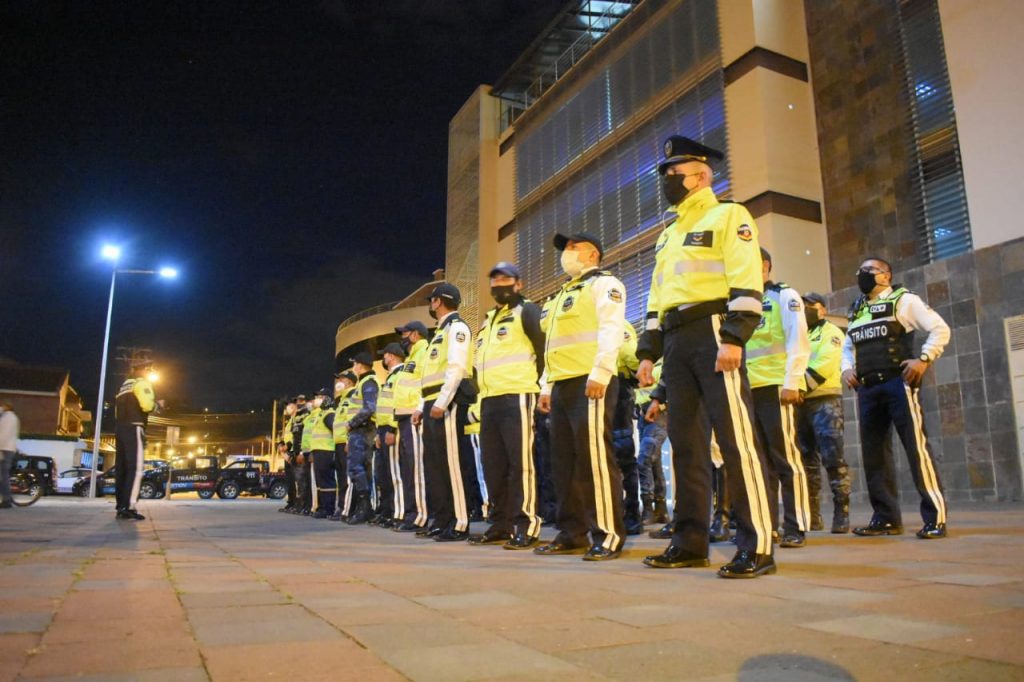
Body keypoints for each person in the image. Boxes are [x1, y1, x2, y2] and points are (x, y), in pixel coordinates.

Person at [636, 135, 775, 578]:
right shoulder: (669, 234)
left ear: (700, 176)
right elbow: (659, 297)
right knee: (686, 447)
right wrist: (648, 352)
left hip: (715, 330)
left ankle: (758, 546)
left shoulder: (728, 215)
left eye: (674, 175)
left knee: (736, 441)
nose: (667, 182)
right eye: (665, 176)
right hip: (676, 342)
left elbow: (745, 277)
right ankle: (690, 542)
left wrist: (735, 336)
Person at [841, 257, 950, 539]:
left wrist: (923, 360)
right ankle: (886, 518)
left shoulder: (905, 301)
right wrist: (846, 368)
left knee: (916, 450)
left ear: (886, 276)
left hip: (898, 384)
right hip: (867, 389)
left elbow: (940, 329)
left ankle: (935, 518)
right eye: (859, 270)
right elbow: (847, 346)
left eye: (869, 271)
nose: (862, 275)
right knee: (874, 456)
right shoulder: (857, 309)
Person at [535, 232, 627, 561]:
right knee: (564, 462)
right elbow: (552, 346)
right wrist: (546, 386)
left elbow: (611, 328)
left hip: (590, 380)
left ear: (592, 255)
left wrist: (601, 371)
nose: (567, 254)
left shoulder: (604, 284)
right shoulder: (560, 295)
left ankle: (608, 532)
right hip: (561, 384)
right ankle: (572, 532)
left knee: (594, 460)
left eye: (573, 248)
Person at [468, 262, 545, 550]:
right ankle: (499, 524)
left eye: (506, 278)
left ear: (518, 283)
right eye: (495, 279)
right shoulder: (488, 322)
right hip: (489, 402)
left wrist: (541, 386)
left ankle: (526, 525)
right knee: (494, 466)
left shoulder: (527, 311)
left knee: (520, 465)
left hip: (518, 397)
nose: (499, 283)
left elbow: (543, 350)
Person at [746, 248, 812, 548]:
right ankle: (767, 525)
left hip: (776, 388)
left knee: (785, 458)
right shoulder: (739, 303)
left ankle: (796, 524)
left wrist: (793, 381)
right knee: (759, 464)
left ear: (765, 265)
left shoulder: (784, 296)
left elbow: (797, 339)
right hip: (747, 391)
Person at [413, 283, 476, 542]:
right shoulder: (437, 335)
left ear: (438, 301)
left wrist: (442, 401)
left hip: (447, 403)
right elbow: (427, 376)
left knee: (451, 465)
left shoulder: (457, 328)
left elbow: (456, 367)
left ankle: (459, 522)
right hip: (432, 404)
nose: (431, 305)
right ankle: (441, 519)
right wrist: (421, 406)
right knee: (435, 466)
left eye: (432, 300)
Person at [797, 292, 851, 533]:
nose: (804, 309)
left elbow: (826, 362)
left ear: (821, 309)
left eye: (809, 305)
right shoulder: (798, 334)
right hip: (799, 403)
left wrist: (800, 386)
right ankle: (812, 514)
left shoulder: (831, 332)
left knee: (833, 458)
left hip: (825, 401)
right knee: (806, 460)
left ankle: (842, 512)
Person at [394, 321, 431, 531]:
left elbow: (426, 383)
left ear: (415, 334)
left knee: (416, 469)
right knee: (408, 470)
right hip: (404, 417)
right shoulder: (412, 357)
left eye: (405, 333)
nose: (403, 337)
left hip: (415, 416)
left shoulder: (424, 352)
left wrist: (419, 408)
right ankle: (411, 512)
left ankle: (420, 515)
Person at [113, 359, 159, 520]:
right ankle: (130, 506)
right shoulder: (141, 384)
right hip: (134, 427)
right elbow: (146, 405)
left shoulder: (124, 387)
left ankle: (121, 506)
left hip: (120, 429)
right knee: (136, 468)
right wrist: (155, 406)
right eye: (149, 371)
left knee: (122, 468)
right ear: (144, 371)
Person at [374, 342, 406, 527]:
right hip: (383, 430)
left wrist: (392, 429)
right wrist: (379, 431)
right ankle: (387, 512)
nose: (383, 358)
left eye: (384, 355)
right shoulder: (390, 377)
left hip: (392, 429)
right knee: (384, 474)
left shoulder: (401, 375)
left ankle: (398, 514)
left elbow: (398, 403)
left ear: (392, 356)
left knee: (395, 474)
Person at [345, 351, 379, 525]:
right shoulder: (364, 383)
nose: (353, 367)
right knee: (361, 470)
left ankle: (364, 507)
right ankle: (364, 508)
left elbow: (369, 408)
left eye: (354, 364)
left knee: (357, 468)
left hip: (362, 431)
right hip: (361, 431)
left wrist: (351, 423)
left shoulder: (368, 383)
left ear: (360, 365)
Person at [635, 360, 669, 525]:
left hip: (659, 416)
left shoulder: (664, 362)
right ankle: (660, 509)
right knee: (654, 462)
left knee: (644, 459)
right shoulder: (641, 364)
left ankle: (648, 507)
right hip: (643, 417)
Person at [307, 388, 337, 519]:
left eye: (321, 397)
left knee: (326, 481)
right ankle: (321, 507)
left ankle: (328, 508)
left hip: (327, 451)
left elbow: (336, 431)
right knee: (320, 482)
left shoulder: (329, 414)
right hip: (319, 451)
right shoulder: (321, 414)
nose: (317, 399)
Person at [332, 373, 357, 521]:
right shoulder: (341, 400)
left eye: (341, 380)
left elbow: (351, 420)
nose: (338, 382)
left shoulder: (352, 396)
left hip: (346, 443)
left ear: (348, 382)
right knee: (341, 479)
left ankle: (348, 509)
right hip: (338, 443)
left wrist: (349, 440)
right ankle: (342, 507)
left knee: (348, 479)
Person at [278, 398, 299, 512]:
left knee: (297, 480)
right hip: (287, 453)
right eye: (287, 406)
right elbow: (286, 437)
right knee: (289, 479)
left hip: (293, 452)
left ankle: (297, 503)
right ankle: (291, 502)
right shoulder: (290, 421)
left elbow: (296, 437)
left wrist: (288, 447)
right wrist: (281, 445)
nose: (288, 408)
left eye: (291, 405)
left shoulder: (298, 419)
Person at [0, 401, 19, 509]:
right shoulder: (7, 416)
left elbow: (3, 434)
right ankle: (7, 496)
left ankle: (7, 499)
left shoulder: (9, 417)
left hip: (5, 448)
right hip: (6, 447)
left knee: (3, 474)